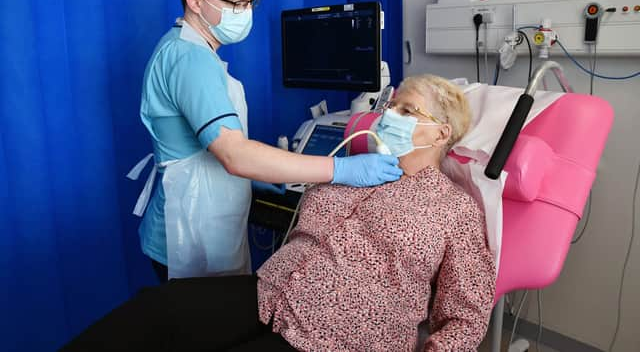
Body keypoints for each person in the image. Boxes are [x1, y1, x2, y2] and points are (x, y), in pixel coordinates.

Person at [64, 74, 496, 352]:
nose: (388, 116)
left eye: (406, 110)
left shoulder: (452, 208)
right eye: (391, 106)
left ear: (441, 132)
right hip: (269, 292)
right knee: (155, 309)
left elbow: (467, 312)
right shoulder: (349, 169)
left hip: (342, 333)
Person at [129, 0, 402, 281]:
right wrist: (341, 168)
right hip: (190, 230)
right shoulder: (191, 59)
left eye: (251, 1)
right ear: (195, 0)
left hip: (192, 213)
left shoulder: (182, 47)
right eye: (237, 3)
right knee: (206, 329)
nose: (247, 12)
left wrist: (265, 174)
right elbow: (233, 154)